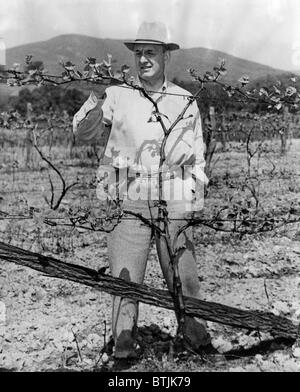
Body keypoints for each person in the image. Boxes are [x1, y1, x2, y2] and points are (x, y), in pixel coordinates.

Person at [73, 21, 214, 359]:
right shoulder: (117, 94)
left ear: (166, 56)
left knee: (184, 274)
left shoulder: (183, 99)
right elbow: (83, 133)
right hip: (128, 195)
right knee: (126, 278)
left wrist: (195, 196)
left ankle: (196, 338)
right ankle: (123, 348)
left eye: (151, 52)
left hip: (176, 194)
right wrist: (95, 96)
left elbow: (197, 153)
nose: (144, 59)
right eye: (139, 53)